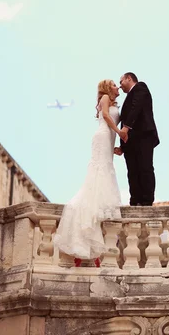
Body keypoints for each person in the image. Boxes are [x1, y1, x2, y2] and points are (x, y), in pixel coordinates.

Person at [53, 79, 125, 265]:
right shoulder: (105, 98)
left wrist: (117, 145)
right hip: (103, 137)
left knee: (105, 169)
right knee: (99, 170)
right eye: (114, 84)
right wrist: (119, 132)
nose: (117, 87)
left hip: (108, 140)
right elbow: (107, 117)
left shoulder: (113, 101)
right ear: (108, 88)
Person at [115, 72, 160, 206]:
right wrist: (122, 146)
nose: (120, 85)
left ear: (129, 78)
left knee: (145, 167)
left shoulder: (140, 87)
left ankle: (147, 201)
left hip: (143, 136)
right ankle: (135, 200)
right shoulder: (127, 98)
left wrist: (126, 128)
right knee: (132, 171)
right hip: (130, 142)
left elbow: (137, 107)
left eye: (121, 81)